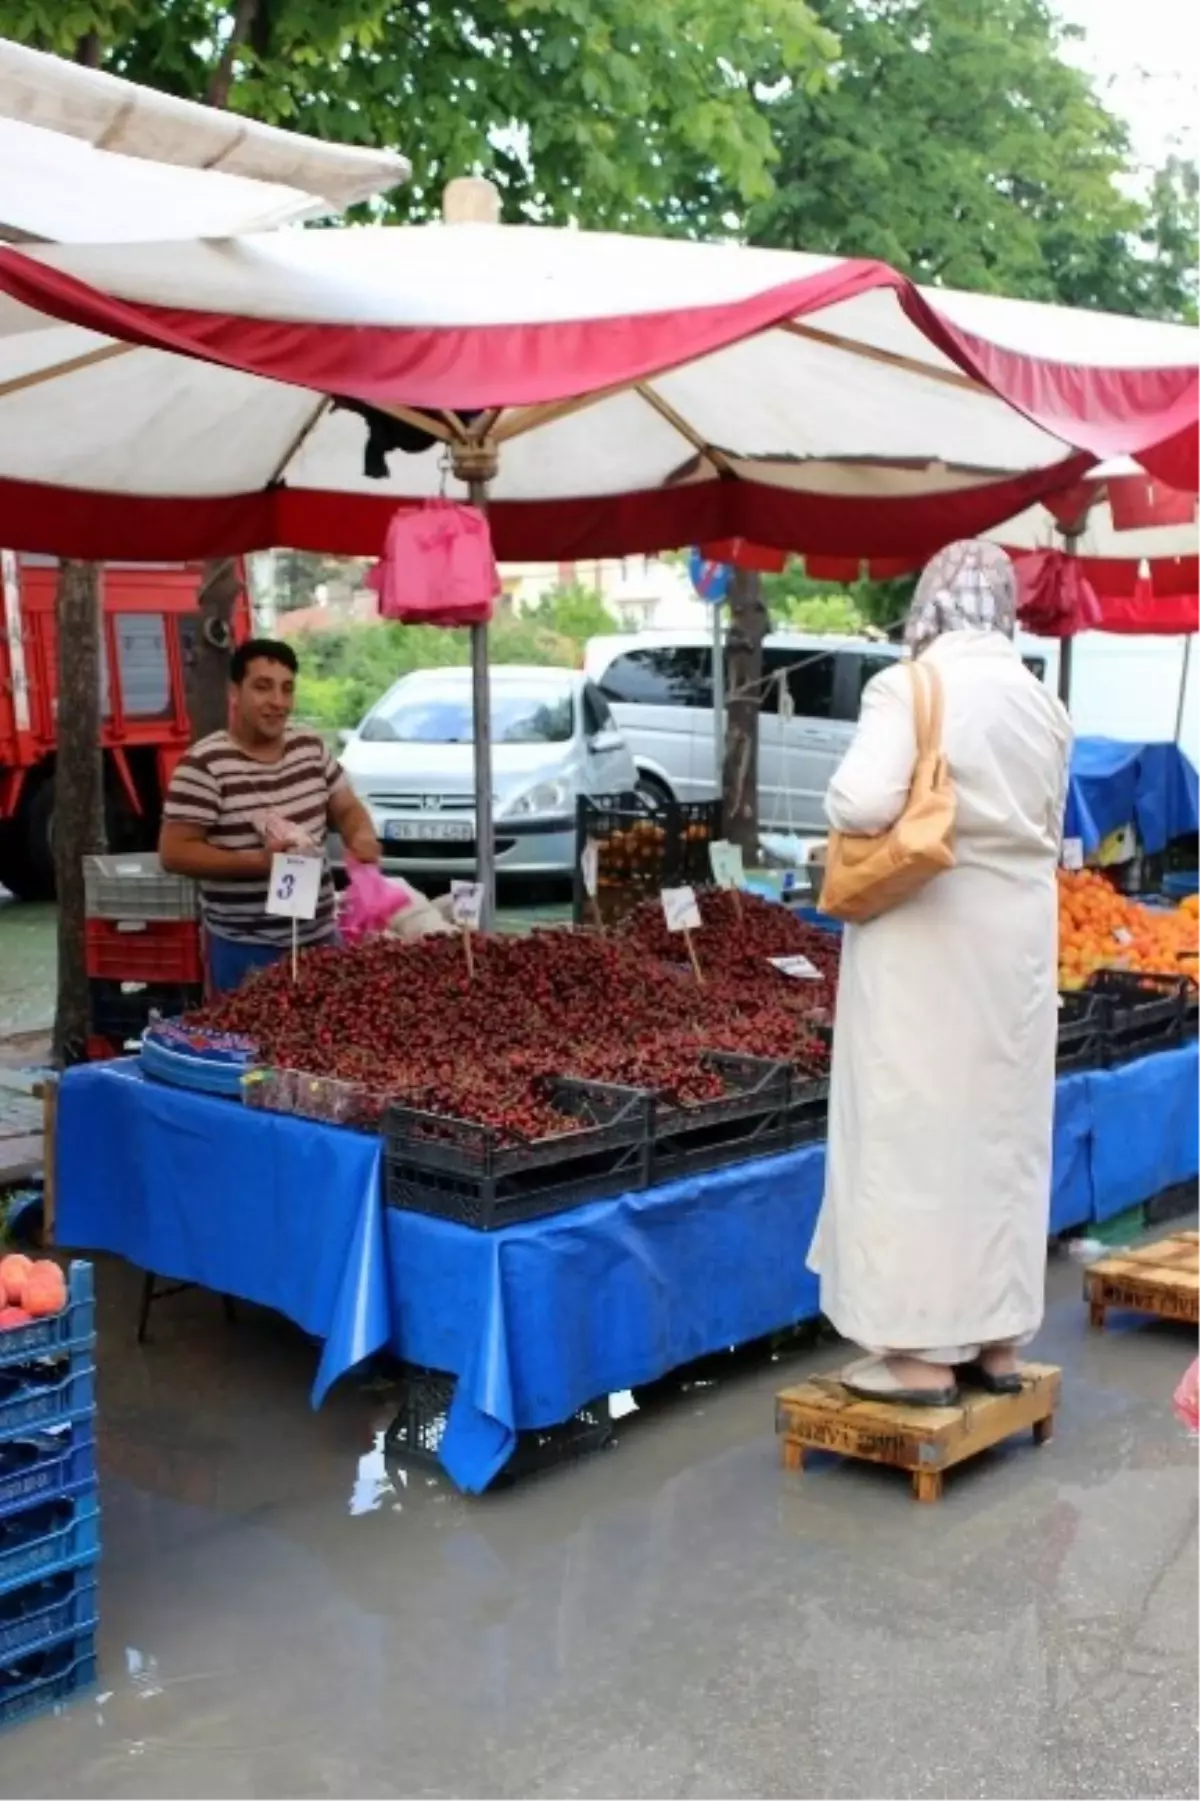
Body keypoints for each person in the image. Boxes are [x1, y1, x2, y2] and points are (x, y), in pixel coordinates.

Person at [809, 540, 1071, 1406]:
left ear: (928, 603)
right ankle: (997, 1342)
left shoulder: (910, 686)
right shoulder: (1044, 703)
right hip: (1017, 961)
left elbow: (859, 800)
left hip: (924, 951)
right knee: (1001, 1141)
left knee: (913, 1141)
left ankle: (920, 1355)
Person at [159, 638, 380, 994]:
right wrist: (258, 862)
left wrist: (361, 836)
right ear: (235, 692)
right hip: (244, 950)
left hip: (320, 940)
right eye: (262, 687)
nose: (278, 702)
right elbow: (174, 852)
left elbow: (346, 807)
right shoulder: (204, 765)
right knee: (251, 1046)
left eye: (287, 689)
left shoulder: (310, 748)